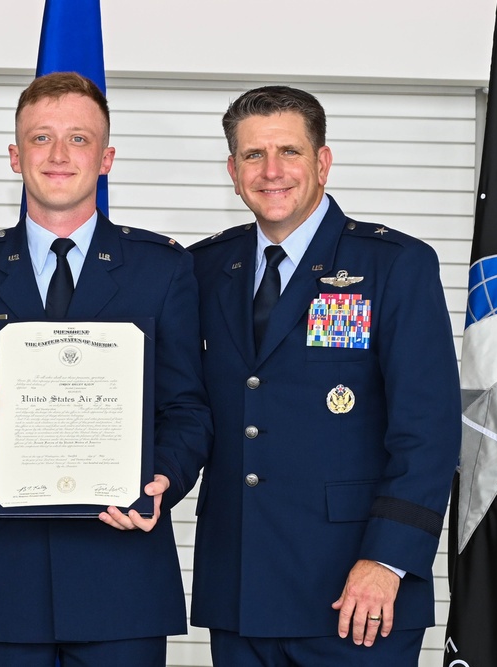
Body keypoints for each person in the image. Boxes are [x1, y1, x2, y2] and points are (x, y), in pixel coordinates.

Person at [0, 72, 212, 666]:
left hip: (121, 571)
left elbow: (186, 408)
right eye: (40, 139)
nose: (59, 155)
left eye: (78, 139)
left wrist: (163, 479)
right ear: (15, 157)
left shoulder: (161, 270)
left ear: (107, 157)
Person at [188, 85, 460, 666]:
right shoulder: (203, 268)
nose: (272, 171)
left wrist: (388, 561)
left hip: (356, 592)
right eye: (253, 156)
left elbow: (428, 431)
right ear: (233, 171)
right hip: (241, 585)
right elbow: (181, 406)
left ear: (323, 162)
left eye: (289, 151)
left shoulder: (393, 264)